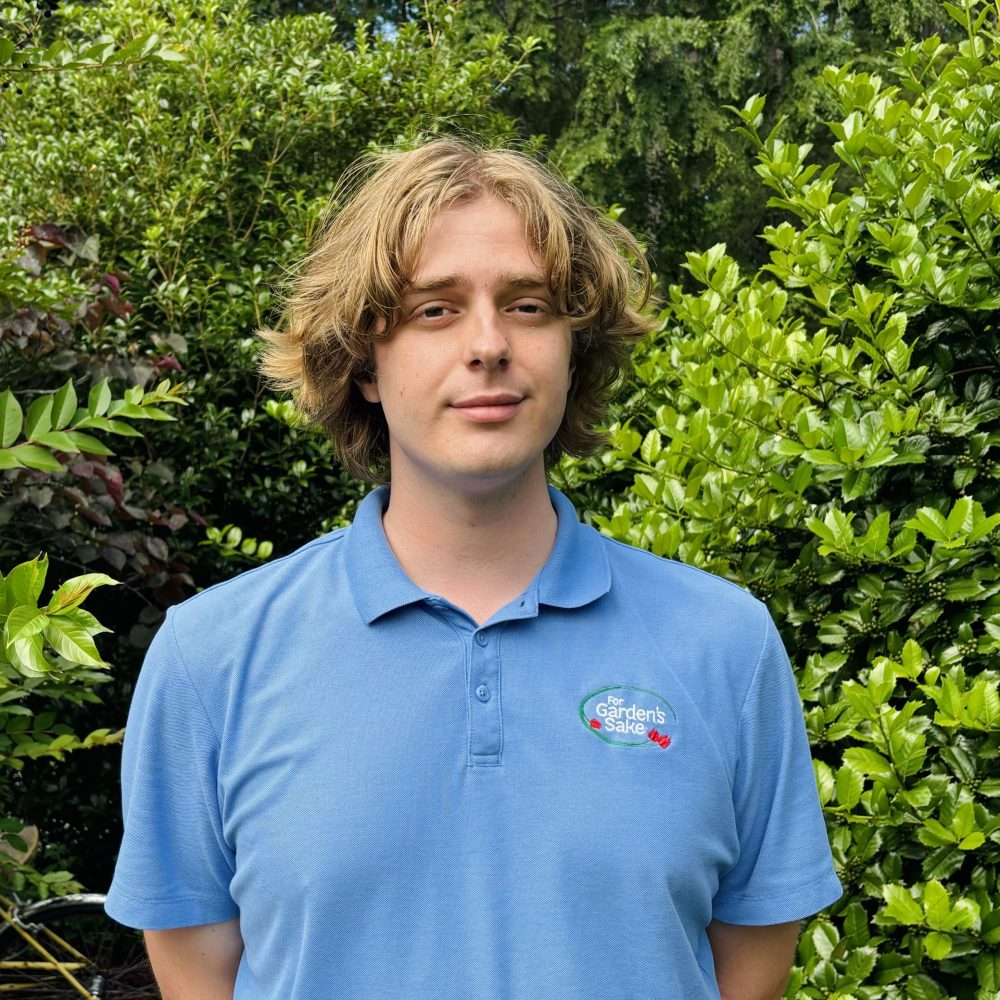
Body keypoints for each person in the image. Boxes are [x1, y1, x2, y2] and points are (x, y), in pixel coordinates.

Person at [105, 138, 842, 999]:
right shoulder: (212, 658)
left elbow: (750, 964)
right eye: (434, 310)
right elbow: (198, 973)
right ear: (365, 364)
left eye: (528, 306)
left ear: (575, 347)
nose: (488, 344)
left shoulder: (725, 644)